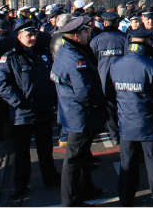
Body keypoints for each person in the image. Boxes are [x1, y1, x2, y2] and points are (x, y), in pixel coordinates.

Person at [0, 22, 61, 202]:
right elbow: (2, 85)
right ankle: (21, 185)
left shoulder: (42, 54)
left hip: (43, 110)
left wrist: (52, 100)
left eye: (34, 35)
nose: (32, 38)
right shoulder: (10, 57)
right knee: (21, 153)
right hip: (22, 114)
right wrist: (19, 103)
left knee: (45, 149)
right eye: (28, 36)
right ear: (19, 37)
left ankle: (50, 177)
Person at [110, 30, 153, 207]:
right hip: (148, 121)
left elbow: (110, 92)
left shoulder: (116, 64)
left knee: (127, 163)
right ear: (147, 42)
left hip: (125, 121)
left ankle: (126, 198)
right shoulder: (152, 65)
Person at [50, 16, 106, 206]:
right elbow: (84, 91)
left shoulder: (66, 51)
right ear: (76, 35)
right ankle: (70, 199)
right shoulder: (75, 58)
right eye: (85, 31)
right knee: (74, 159)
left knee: (82, 156)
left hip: (72, 112)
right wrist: (97, 105)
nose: (88, 34)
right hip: (79, 114)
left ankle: (85, 188)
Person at [90, 11, 128, 144]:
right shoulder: (124, 38)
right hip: (123, 78)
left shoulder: (96, 40)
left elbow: (92, 60)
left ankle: (114, 135)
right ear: (117, 23)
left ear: (105, 23)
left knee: (109, 108)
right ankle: (125, 134)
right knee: (124, 106)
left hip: (104, 79)